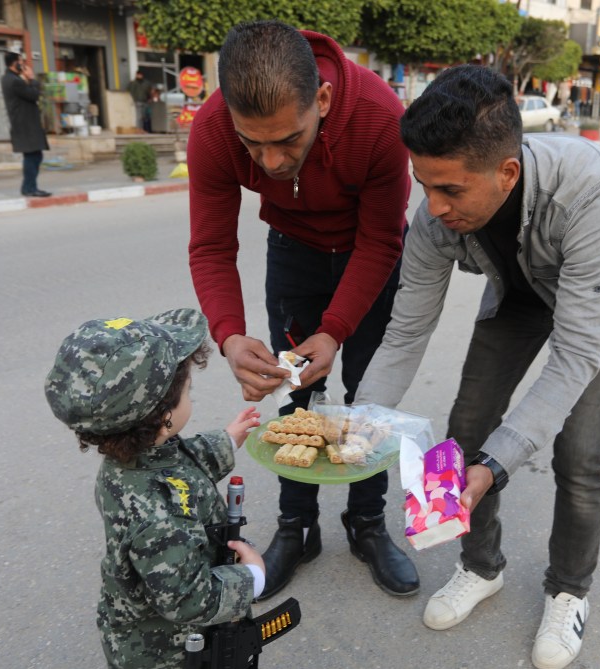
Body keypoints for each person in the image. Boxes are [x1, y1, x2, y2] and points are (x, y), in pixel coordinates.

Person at [354, 65, 600, 669]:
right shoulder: (433, 216)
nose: (433, 208)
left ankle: (568, 589)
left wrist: (495, 465)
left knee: (579, 448)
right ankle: (480, 566)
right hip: (519, 294)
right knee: (466, 426)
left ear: (507, 172)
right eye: (424, 186)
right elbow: (407, 330)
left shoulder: (588, 189)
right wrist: (359, 421)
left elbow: (575, 353)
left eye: (451, 191)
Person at [187, 20, 417, 601]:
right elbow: (212, 245)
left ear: (322, 99)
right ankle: (298, 526)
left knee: (370, 397)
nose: (269, 161)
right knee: (295, 393)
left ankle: (366, 523)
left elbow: (382, 242)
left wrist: (335, 331)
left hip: (371, 253)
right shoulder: (214, 129)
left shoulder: (379, 116)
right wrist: (230, 337)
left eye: (287, 139)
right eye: (252, 143)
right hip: (293, 252)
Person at [44, 308, 265, 668]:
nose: (191, 398)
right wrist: (251, 578)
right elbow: (187, 600)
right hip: (170, 651)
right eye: (188, 392)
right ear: (164, 418)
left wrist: (226, 441)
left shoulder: (130, 458)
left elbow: (181, 468)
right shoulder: (159, 517)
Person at [1, 52, 50, 197]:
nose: (23, 65)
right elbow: (34, 94)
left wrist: (27, 80)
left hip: (25, 124)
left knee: (35, 156)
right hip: (25, 125)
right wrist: (32, 78)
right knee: (32, 156)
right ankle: (29, 188)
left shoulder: (9, 78)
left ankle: (29, 187)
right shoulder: (14, 81)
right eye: (20, 62)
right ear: (13, 63)